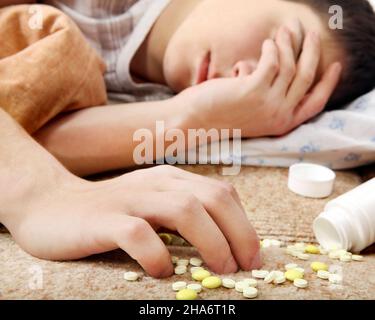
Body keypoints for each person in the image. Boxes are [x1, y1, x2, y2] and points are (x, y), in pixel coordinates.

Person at [0, 0, 374, 277]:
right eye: (280, 51)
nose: (247, 80)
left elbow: (30, 141)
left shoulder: (154, 98)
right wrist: (37, 193)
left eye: (286, 89)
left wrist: (194, 116)